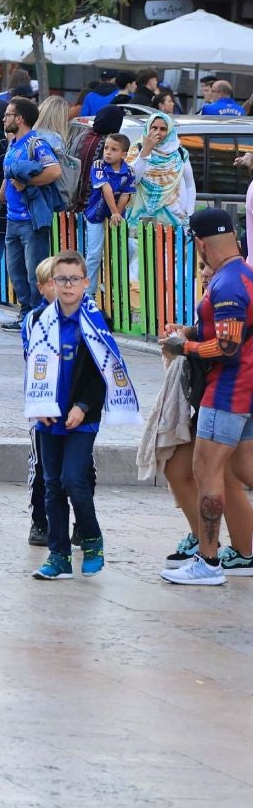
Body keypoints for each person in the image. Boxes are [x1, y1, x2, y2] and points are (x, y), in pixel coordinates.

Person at [23, 249, 132, 579]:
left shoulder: (98, 322)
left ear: (86, 282)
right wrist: (38, 404)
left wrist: (83, 407)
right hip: (49, 415)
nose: (67, 286)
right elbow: (32, 366)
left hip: (83, 417)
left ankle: (91, 536)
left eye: (73, 279)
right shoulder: (40, 321)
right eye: (61, 279)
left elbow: (104, 374)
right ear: (51, 282)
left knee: (75, 479)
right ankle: (58, 556)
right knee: (52, 483)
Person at [160, 208, 253, 585]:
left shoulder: (227, 282)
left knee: (206, 471)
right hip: (244, 389)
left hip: (228, 390)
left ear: (199, 243)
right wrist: (194, 332)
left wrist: (185, 347)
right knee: (246, 469)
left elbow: (229, 346)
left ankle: (208, 563)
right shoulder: (242, 274)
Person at [0, 97, 64, 324]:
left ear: (19, 119)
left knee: (35, 272)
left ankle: (38, 314)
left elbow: (54, 171)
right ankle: (25, 312)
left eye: (8, 115)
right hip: (13, 218)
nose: (4, 119)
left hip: (31, 220)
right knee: (16, 270)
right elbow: (8, 178)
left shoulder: (37, 143)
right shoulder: (13, 144)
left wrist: (28, 183)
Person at [82, 130, 134, 303]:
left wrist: (117, 215)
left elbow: (126, 194)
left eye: (113, 149)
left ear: (124, 154)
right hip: (96, 214)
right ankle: (88, 292)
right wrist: (114, 213)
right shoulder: (98, 165)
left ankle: (112, 284)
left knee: (126, 249)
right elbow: (106, 190)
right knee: (95, 253)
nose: (108, 152)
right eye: (106, 148)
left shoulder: (129, 171)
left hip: (116, 215)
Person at [126, 111, 195, 229]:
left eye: (163, 129)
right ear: (148, 128)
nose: (158, 132)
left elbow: (190, 185)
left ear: (169, 131)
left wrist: (189, 212)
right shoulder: (137, 148)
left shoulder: (179, 153)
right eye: (154, 128)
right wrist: (146, 150)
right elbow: (133, 179)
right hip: (140, 216)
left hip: (172, 218)